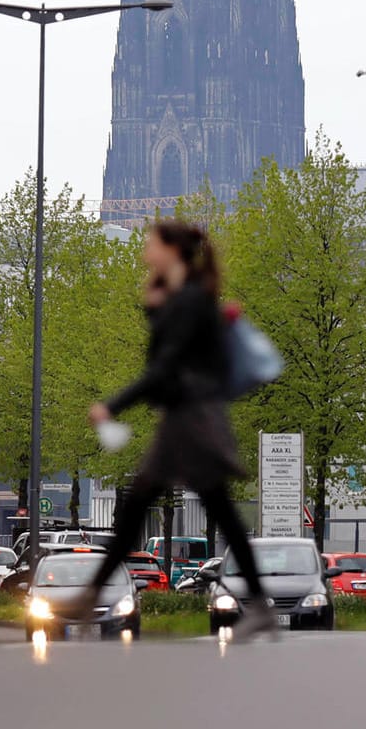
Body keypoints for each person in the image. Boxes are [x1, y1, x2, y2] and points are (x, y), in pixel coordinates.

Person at [75, 220, 275, 636]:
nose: (145, 249)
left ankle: (91, 593)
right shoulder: (183, 298)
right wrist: (152, 306)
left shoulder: (191, 300)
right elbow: (166, 353)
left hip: (192, 418)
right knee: (172, 506)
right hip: (186, 416)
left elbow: (164, 366)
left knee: (176, 507)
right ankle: (92, 593)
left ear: (171, 250)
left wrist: (112, 405)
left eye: (151, 243)